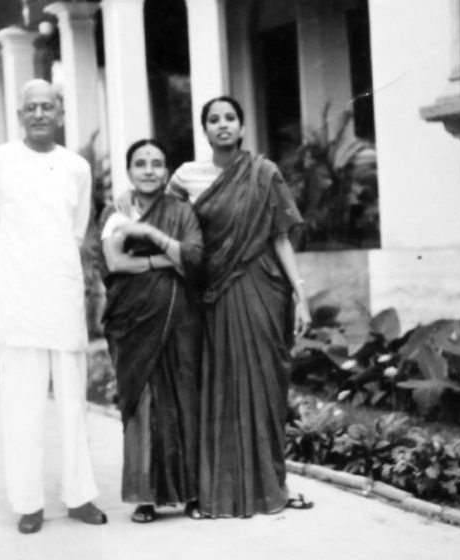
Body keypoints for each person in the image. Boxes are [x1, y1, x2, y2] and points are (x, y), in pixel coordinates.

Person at [171, 96, 314, 518]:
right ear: (205, 130)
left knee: (268, 389)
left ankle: (274, 485)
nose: (223, 125)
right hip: (215, 294)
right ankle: (222, 491)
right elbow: (167, 221)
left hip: (264, 290)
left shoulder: (264, 173)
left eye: (230, 118)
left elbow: (280, 237)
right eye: (213, 120)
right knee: (223, 389)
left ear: (242, 127)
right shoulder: (187, 178)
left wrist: (300, 295)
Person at [0, 79, 107, 534]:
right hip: (16, 296)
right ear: (19, 115)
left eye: (46, 106)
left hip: (61, 294)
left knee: (73, 400)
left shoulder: (75, 167)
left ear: (60, 114)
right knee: (21, 403)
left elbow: (76, 230)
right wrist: (1, 291)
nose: (38, 113)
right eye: (30, 107)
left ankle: (79, 496)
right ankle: (28, 502)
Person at [97, 139, 203, 523]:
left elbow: (193, 257)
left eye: (157, 163)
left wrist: (153, 236)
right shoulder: (115, 210)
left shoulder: (181, 211)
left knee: (184, 400)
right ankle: (144, 497)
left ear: (166, 170)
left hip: (180, 321)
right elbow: (114, 261)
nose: (148, 170)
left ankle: (192, 493)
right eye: (140, 163)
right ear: (129, 172)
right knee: (141, 406)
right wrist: (163, 259)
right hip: (132, 322)